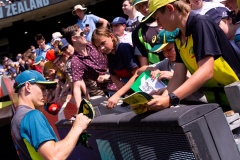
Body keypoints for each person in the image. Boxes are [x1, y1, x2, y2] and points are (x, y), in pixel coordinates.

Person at [142, 0, 240, 111]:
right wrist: (161, 99)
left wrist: (170, 99)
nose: (158, 25)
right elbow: (178, 76)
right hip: (219, 102)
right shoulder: (179, 38)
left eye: (158, 18)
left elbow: (206, 71)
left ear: (170, 9)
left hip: (236, 95)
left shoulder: (201, 24)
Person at [11, 70, 91, 159]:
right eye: (42, 89)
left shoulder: (16, 118)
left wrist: (74, 133)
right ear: (28, 86)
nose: (46, 93)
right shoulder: (32, 116)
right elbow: (54, 156)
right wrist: (77, 128)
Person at [106, 29, 179, 108]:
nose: (166, 54)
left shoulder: (187, 61)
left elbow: (190, 79)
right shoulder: (166, 62)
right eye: (163, 51)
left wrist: (172, 75)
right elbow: (139, 71)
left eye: (169, 49)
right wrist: (152, 69)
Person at [63, 24, 115, 108]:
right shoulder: (76, 61)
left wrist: (109, 73)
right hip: (111, 89)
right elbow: (77, 87)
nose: (84, 35)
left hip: (123, 75)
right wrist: (80, 111)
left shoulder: (93, 44)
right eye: (81, 34)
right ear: (74, 39)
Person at [132, 0, 163, 66]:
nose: (143, 7)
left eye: (145, 3)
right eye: (139, 6)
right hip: (157, 71)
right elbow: (144, 65)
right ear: (137, 9)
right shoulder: (137, 32)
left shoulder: (168, 18)